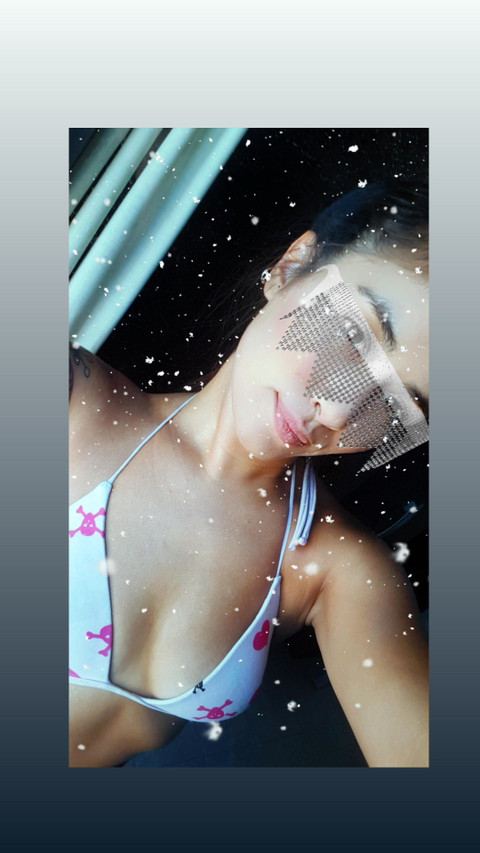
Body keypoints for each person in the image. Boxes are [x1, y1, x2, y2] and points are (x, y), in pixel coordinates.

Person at [69, 178, 429, 767]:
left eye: (400, 404)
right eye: (355, 333)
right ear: (291, 267)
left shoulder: (330, 569)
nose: (338, 412)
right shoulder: (76, 407)